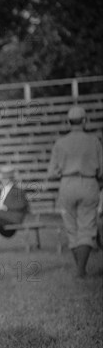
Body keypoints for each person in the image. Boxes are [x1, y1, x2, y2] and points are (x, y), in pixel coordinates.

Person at [48, 106, 103, 277]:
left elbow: (52, 173)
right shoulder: (94, 141)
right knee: (87, 227)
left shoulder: (60, 143)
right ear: (85, 121)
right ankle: (81, 270)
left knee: (72, 228)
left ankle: (80, 269)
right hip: (88, 182)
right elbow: (101, 170)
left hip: (67, 183)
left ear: (68, 122)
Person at [0, 165, 29, 249]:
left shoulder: (18, 191)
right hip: (2, 218)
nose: (1, 180)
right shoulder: (2, 191)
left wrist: (4, 207)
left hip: (13, 218)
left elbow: (22, 204)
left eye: (3, 178)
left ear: (9, 179)